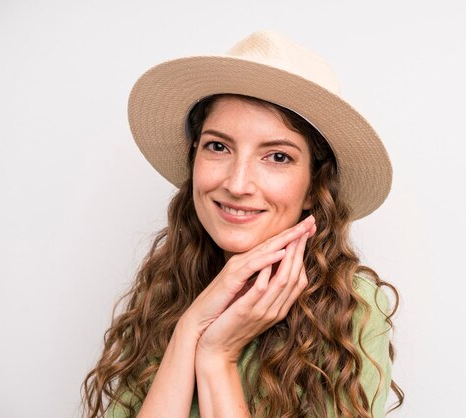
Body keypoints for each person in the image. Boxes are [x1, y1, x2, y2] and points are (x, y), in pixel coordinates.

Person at [82, 30, 403, 417]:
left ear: (311, 188)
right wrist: (189, 328)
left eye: (278, 157)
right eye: (218, 146)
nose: (236, 184)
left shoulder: (351, 310)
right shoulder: (167, 286)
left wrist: (218, 354)